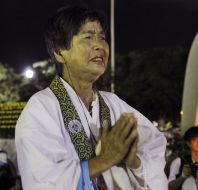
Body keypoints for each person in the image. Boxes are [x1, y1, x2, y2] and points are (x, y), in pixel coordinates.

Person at [15, 5, 168, 190]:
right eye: (88, 37)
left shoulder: (113, 104)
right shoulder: (41, 108)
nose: (99, 45)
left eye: (102, 37)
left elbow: (154, 145)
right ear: (60, 52)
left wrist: (133, 161)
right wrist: (105, 159)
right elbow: (45, 181)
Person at [168, 126, 198, 190]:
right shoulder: (179, 162)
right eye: (195, 139)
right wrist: (183, 176)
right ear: (188, 143)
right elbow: (169, 187)